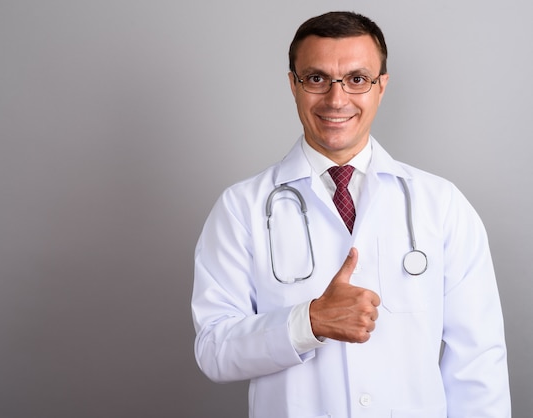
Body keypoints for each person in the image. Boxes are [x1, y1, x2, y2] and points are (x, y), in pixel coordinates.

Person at [191, 11, 511, 418]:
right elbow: (214, 350)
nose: (336, 98)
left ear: (382, 87)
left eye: (357, 79)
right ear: (293, 84)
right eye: (316, 78)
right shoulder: (241, 208)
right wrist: (308, 322)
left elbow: (479, 361)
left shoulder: (441, 204)